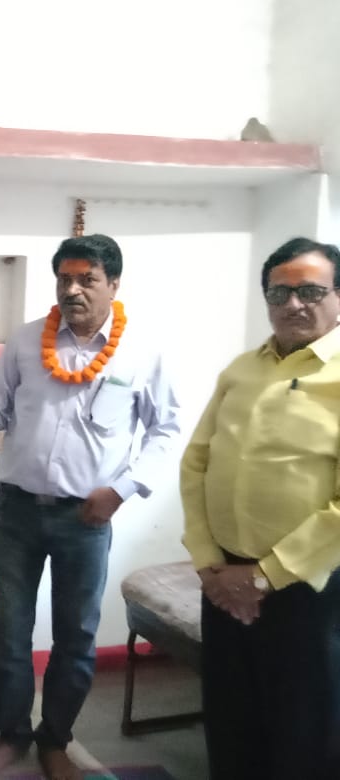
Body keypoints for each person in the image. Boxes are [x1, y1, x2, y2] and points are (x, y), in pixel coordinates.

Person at [0, 234, 181, 780]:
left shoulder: (141, 351)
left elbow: (165, 430)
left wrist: (122, 490)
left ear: (114, 284)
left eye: (87, 279)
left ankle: (55, 739)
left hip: (87, 516)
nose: (73, 290)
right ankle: (12, 734)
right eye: (65, 279)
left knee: (76, 635)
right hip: (17, 509)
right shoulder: (26, 340)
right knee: (9, 630)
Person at [180, 237, 340, 779]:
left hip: (309, 589)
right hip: (224, 580)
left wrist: (266, 576)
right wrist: (209, 564)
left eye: (310, 291)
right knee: (231, 720)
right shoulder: (241, 371)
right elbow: (195, 464)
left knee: (303, 733)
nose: (293, 304)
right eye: (279, 292)